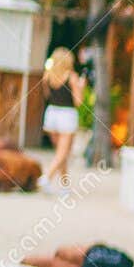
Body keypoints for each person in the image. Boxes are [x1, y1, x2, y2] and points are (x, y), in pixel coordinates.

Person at [39, 47, 86, 193]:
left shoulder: (47, 76)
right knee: (63, 153)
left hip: (52, 114)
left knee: (62, 153)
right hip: (67, 115)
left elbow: (46, 95)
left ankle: (64, 187)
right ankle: (46, 177)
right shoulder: (71, 77)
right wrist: (81, 86)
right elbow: (78, 101)